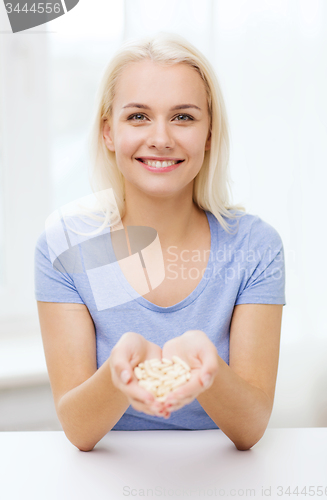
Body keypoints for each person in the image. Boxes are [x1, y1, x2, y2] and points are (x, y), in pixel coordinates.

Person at [34, 33, 286, 453]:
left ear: (209, 134)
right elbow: (79, 430)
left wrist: (207, 369)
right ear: (108, 133)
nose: (161, 138)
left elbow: (250, 428)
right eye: (137, 117)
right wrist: (117, 374)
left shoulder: (256, 247)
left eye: (184, 117)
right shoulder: (65, 249)